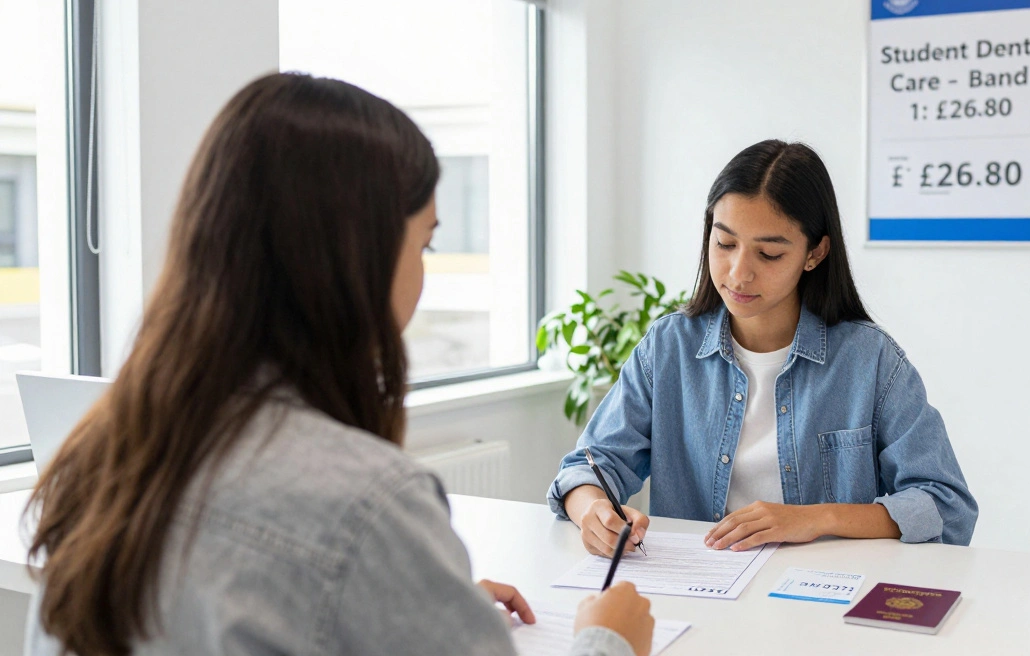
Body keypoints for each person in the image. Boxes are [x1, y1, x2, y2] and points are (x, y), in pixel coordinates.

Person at [24, 73, 653, 656]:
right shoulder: (370, 506)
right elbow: (586, 467)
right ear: (360, 257)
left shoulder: (95, 461)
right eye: (425, 241)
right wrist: (606, 641)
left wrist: (419, 607)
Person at [548, 140, 978, 557]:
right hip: (698, 590)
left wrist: (815, 519)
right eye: (725, 243)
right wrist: (594, 512)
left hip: (819, 598)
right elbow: (586, 468)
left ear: (815, 253)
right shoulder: (668, 348)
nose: (739, 273)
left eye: (768, 253)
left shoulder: (870, 360)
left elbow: (946, 505)